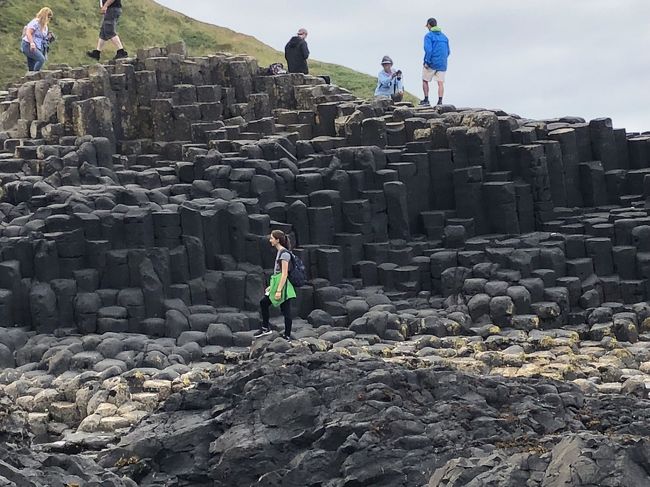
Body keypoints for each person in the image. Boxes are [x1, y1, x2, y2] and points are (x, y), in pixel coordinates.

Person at [255, 230, 297, 340]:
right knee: (265, 303)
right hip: (278, 282)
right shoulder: (280, 252)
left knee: (285, 309)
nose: (270, 240)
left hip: (282, 284)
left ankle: (285, 335)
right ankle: (267, 328)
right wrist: (271, 286)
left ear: (277, 240)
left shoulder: (285, 254)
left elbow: (284, 273)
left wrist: (278, 290)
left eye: (272, 238)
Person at [420, 17, 450, 106]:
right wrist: (442, 60)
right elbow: (448, 52)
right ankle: (440, 101)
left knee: (425, 80)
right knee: (440, 83)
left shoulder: (428, 36)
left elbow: (428, 50)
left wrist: (427, 61)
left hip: (432, 62)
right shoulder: (445, 37)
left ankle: (426, 99)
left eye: (427, 26)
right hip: (442, 64)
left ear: (429, 25)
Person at [21, 7, 54, 72]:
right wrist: (32, 43)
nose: (49, 19)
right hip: (28, 45)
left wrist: (48, 37)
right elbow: (28, 32)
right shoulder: (35, 22)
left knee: (31, 67)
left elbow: (42, 37)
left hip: (38, 46)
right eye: (49, 17)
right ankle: (35, 75)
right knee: (41, 59)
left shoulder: (45, 26)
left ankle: (31, 77)